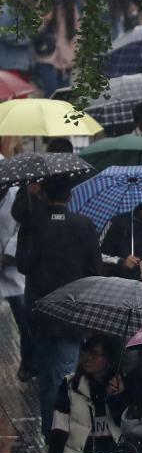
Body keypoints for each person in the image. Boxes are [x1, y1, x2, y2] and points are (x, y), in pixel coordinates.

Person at [16, 178, 101, 436]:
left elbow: (22, 265)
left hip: (39, 312)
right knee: (66, 375)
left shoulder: (32, 225)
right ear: (70, 196)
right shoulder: (84, 225)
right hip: (72, 312)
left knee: (46, 377)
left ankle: (49, 432)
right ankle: (64, 434)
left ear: (42, 195)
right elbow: (94, 269)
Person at [47, 335, 125, 453]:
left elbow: (124, 423)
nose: (87, 358)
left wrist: (117, 396)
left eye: (94, 354)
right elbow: (59, 429)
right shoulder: (70, 385)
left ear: (108, 359)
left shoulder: (122, 385)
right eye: (85, 352)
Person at [33, 0, 81, 96]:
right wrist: (44, 20)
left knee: (63, 95)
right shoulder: (42, 6)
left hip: (66, 61)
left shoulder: (71, 9)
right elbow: (33, 32)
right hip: (46, 58)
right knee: (51, 92)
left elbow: (78, 33)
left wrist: (73, 55)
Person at [0, 185, 27, 381]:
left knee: (24, 320)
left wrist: (8, 254)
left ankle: (28, 362)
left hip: (14, 269)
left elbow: (23, 227)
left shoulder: (18, 194)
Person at [0, 0, 38, 81]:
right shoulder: (7, 9)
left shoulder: (26, 11)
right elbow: (4, 32)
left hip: (24, 64)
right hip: (10, 64)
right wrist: (27, 38)